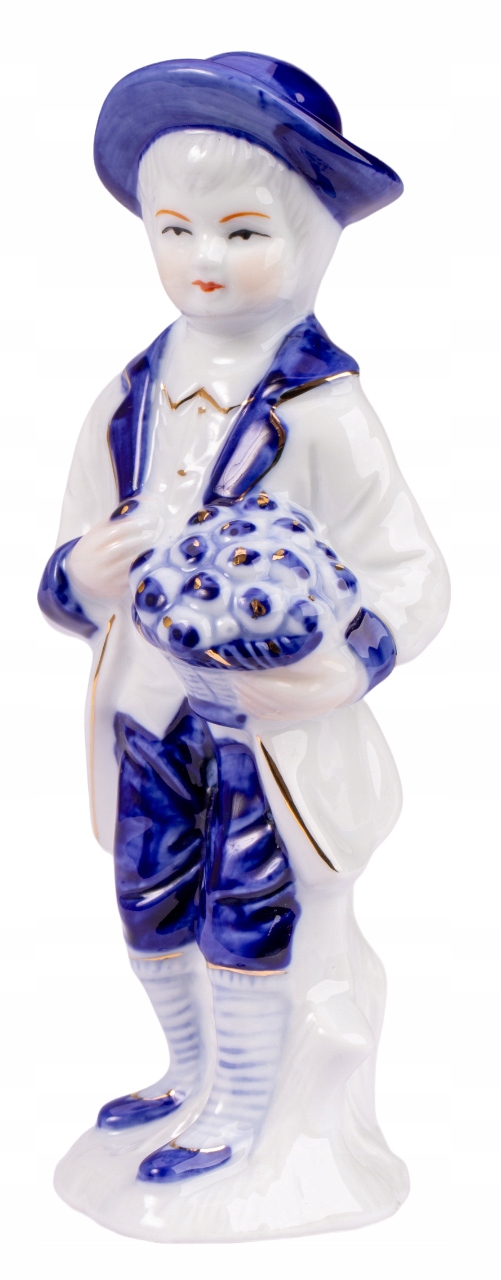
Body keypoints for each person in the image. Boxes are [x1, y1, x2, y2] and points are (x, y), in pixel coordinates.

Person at [39, 53, 449, 1195]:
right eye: (174, 231)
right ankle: (187, 1069)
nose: (202, 259)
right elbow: (63, 566)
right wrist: (81, 571)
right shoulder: (126, 398)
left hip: (259, 726)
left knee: (250, 912)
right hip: (143, 707)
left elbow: (411, 569)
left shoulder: (324, 406)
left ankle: (245, 1108)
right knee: (146, 898)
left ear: (311, 239)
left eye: (242, 231)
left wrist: (345, 669)